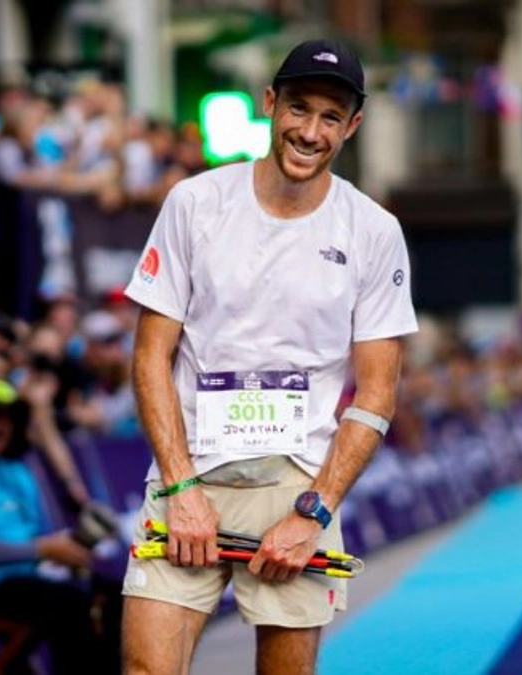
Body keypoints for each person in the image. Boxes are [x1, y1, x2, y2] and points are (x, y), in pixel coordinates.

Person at [120, 39, 417, 674]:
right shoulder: (195, 203)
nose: (310, 132)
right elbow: (150, 357)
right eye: (299, 109)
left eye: (330, 118)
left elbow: (377, 394)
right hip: (189, 469)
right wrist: (180, 489)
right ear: (269, 104)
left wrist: (315, 511)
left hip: (297, 484)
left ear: (353, 127)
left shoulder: (373, 231)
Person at [0, 379, 121, 674]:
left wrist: (67, 551)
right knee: (73, 605)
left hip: (29, 578)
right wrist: (45, 549)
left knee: (118, 594)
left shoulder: (16, 470)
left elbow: (35, 536)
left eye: (8, 417)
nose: (2, 425)